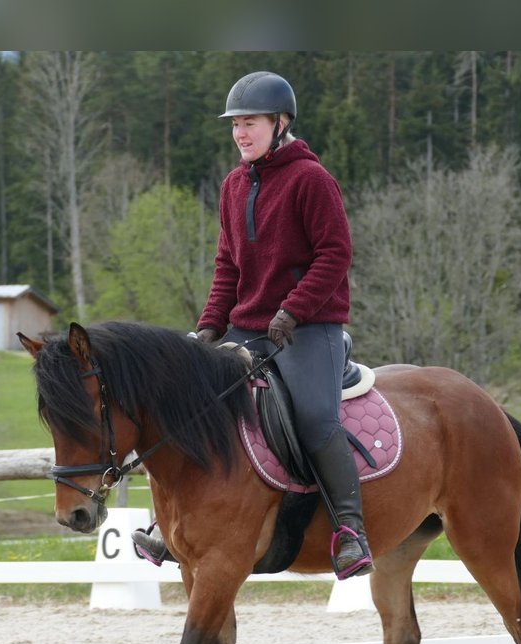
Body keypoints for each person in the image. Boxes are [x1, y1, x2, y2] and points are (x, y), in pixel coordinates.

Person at [133, 70, 374, 580]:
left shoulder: (312, 179)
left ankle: (350, 531)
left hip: (311, 328)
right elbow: (228, 267)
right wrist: (206, 330)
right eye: (236, 125)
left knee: (313, 417)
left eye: (251, 123)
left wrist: (293, 310)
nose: (241, 133)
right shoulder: (233, 184)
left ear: (280, 123)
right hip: (248, 327)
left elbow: (336, 255)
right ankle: (168, 524)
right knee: (192, 401)